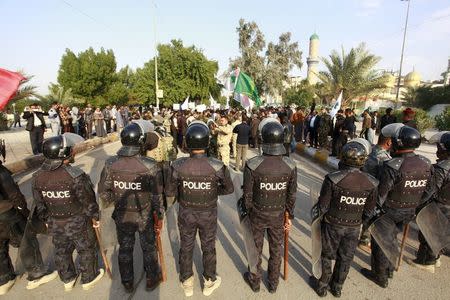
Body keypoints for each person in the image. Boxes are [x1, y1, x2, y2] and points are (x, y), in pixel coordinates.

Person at [165, 121, 234, 297]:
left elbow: (170, 191)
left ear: (187, 143)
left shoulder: (178, 165)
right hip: (208, 212)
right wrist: (210, 191)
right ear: (206, 142)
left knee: (186, 246)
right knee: (208, 246)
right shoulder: (217, 165)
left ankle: (187, 282)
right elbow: (228, 188)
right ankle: (209, 281)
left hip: (186, 212)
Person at [361, 124, 432, 288]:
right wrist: (415, 205)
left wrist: (371, 213)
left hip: (389, 211)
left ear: (399, 143)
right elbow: (428, 191)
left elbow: (381, 195)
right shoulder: (426, 163)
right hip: (409, 211)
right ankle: (390, 268)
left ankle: (380, 276)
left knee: (381, 241)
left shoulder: (393, 165)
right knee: (393, 239)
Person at [98, 120, 164, 292]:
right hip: (145, 215)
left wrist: (118, 201)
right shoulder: (150, 165)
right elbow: (157, 196)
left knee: (125, 248)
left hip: (122, 215)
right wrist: (160, 215)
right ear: (141, 141)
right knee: (148, 247)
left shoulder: (110, 164)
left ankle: (127, 281)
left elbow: (103, 193)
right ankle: (151, 278)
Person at [32, 133, 104, 291]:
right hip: (78, 220)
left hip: (54, 221)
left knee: (61, 250)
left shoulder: (37, 177)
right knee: (86, 248)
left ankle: (67, 279)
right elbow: (88, 201)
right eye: (70, 150)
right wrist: (95, 217)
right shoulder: (75, 175)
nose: (73, 152)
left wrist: (46, 219)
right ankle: (88, 278)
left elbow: (39, 203)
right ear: (62, 154)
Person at [310, 140, 378, 297]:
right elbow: (369, 212)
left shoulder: (332, 178)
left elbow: (323, 207)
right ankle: (337, 287)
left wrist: (318, 220)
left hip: (332, 224)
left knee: (327, 255)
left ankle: (322, 286)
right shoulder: (372, 182)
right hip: (354, 227)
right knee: (346, 257)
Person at [242, 120, 297, 294]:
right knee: (276, 249)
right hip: (278, 215)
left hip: (257, 213)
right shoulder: (290, 165)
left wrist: (250, 212)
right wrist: (290, 216)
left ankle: (255, 281)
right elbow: (292, 195)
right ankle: (273, 284)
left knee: (255, 248)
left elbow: (247, 196)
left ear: (262, 139)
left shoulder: (252, 164)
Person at [0, 160, 58, 295]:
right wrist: (24, 212)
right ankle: (37, 274)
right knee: (26, 241)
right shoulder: (1, 172)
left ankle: (4, 279)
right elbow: (14, 195)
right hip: (6, 213)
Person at [408, 132, 450, 272]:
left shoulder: (442, 168)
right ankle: (436, 257)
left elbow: (430, 191)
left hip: (437, 205)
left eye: (440, 147)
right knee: (441, 232)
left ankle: (427, 261)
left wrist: (417, 204)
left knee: (428, 233)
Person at [359, 134, 393, 250]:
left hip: (363, 187)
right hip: (375, 191)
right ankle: (364, 240)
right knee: (372, 215)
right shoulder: (384, 158)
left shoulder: (370, 150)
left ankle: (361, 237)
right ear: (388, 142)